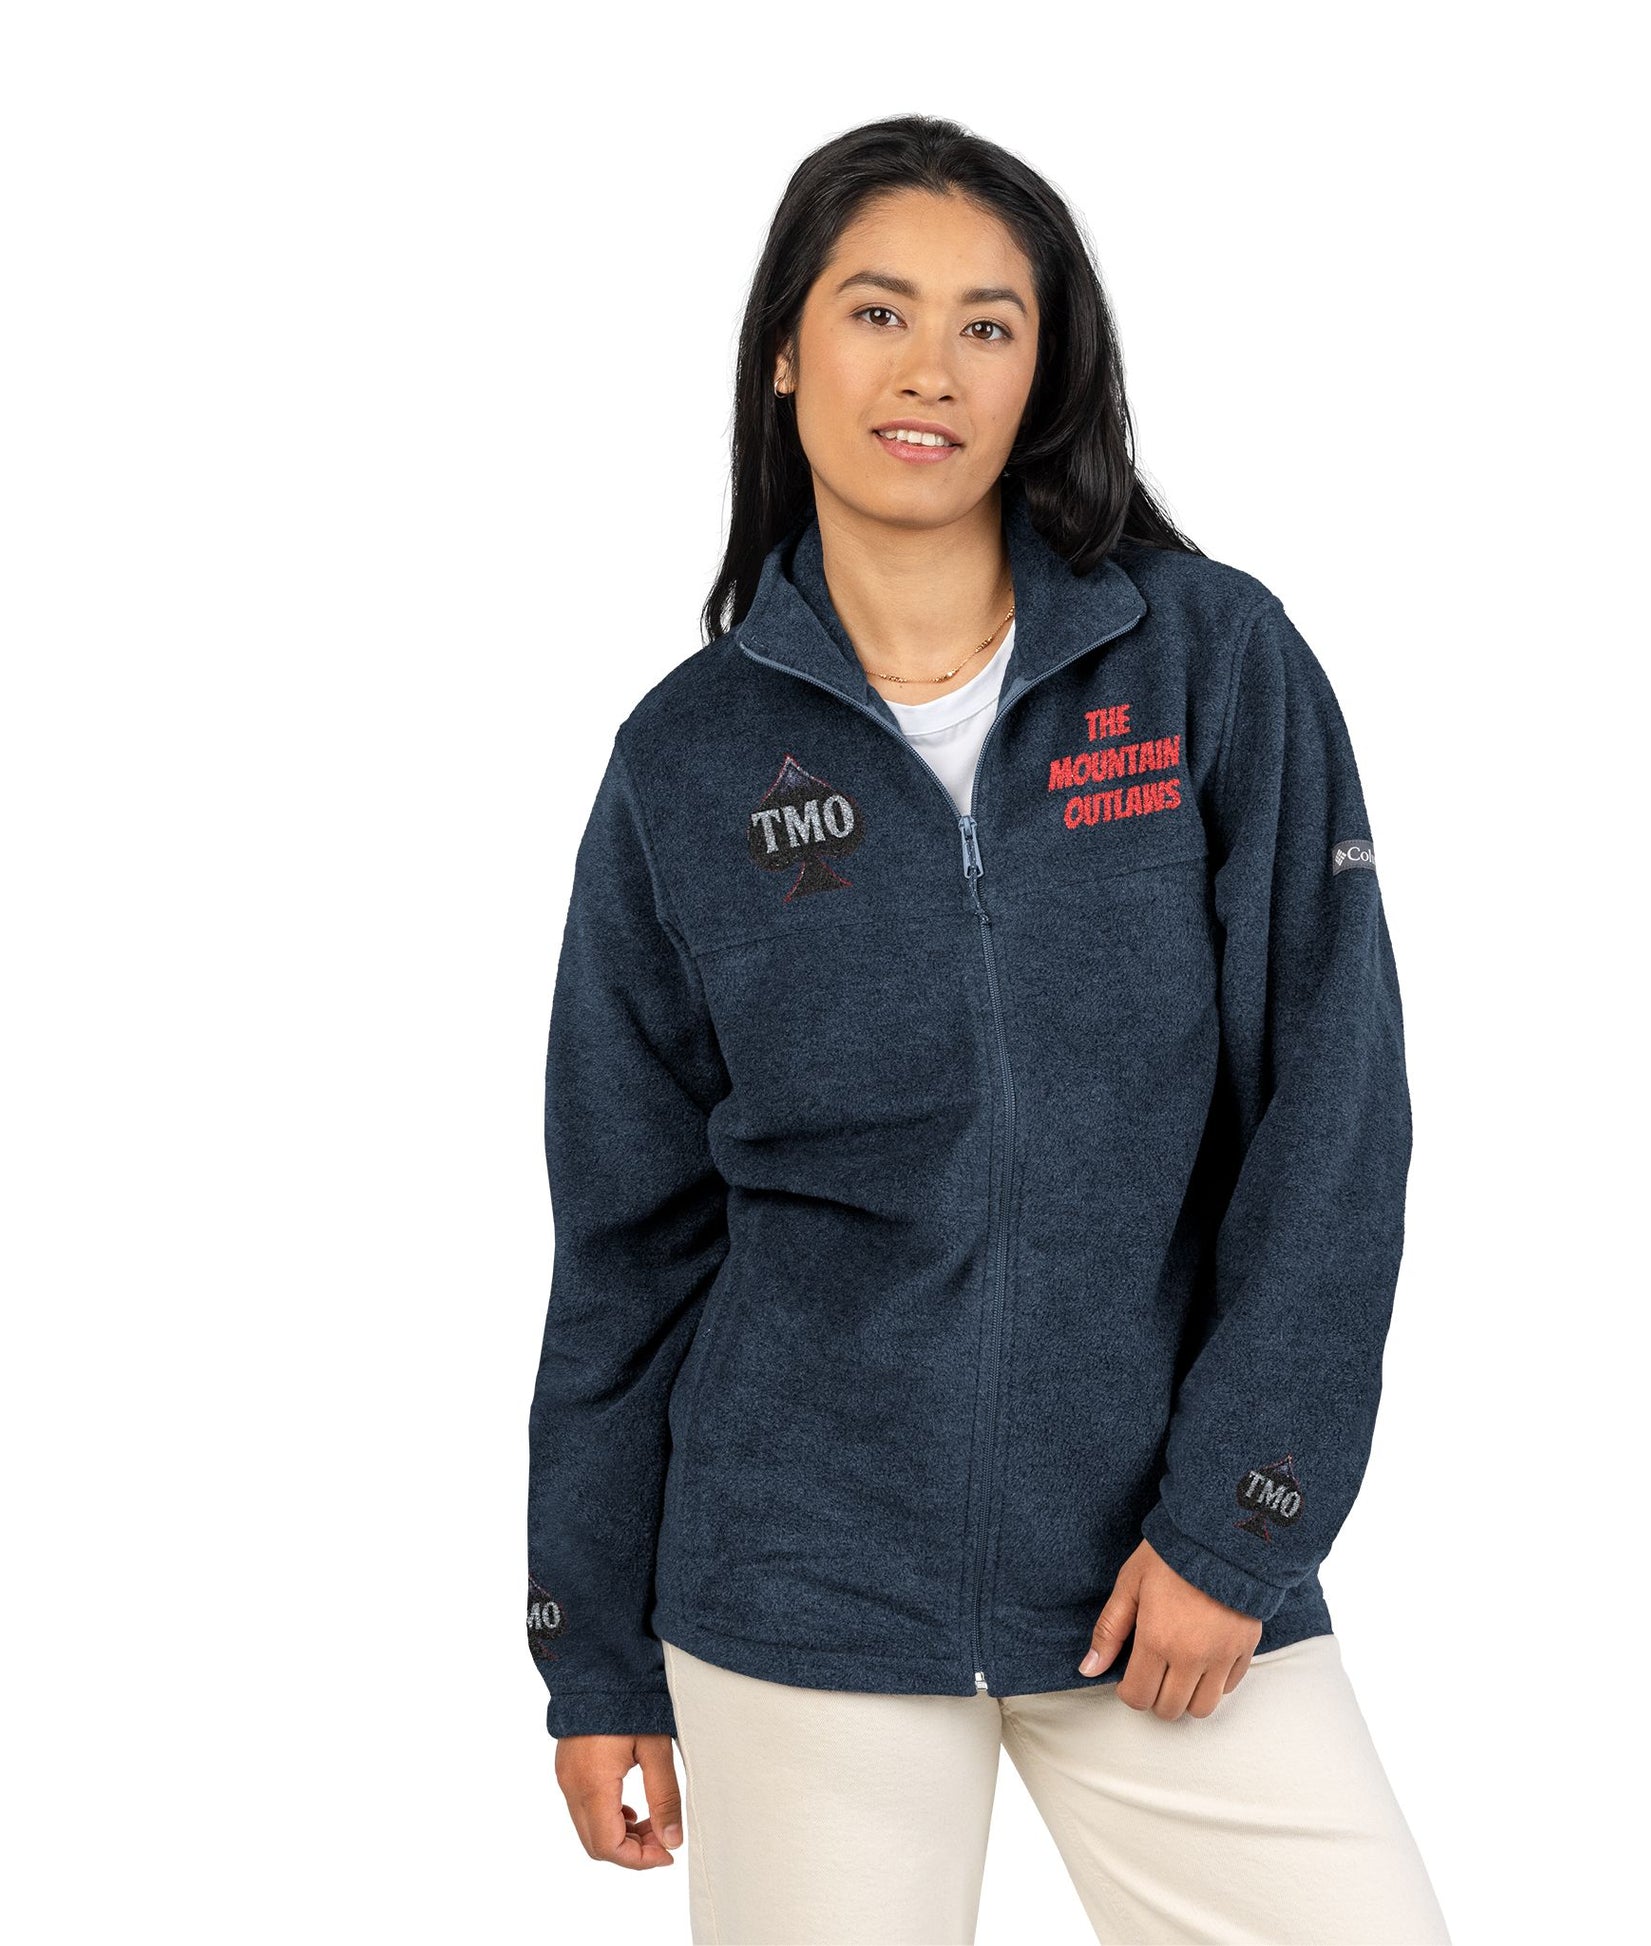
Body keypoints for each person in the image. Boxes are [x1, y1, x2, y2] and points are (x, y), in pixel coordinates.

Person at [526, 114, 1451, 1945]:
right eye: (877, 312)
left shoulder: (1206, 664)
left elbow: (1330, 1113)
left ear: (1045, 374)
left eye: (987, 324)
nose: (929, 370)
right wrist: (590, 1646)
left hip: (1157, 1568)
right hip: (797, 1588)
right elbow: (627, 1238)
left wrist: (1236, 1522)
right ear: (784, 350)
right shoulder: (684, 762)